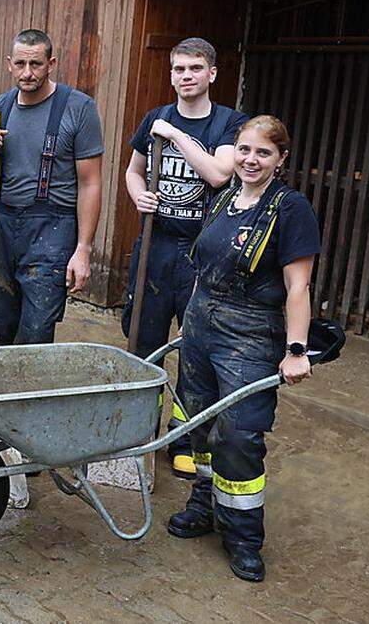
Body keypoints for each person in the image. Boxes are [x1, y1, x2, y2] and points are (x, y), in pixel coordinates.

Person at [166, 115, 320, 583]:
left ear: (281, 159)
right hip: (201, 325)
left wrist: (296, 349)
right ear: (234, 152)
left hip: (250, 336)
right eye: (245, 150)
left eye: (263, 153)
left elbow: (299, 286)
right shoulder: (224, 198)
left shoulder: (290, 210)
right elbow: (203, 270)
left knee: (239, 434)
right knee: (200, 422)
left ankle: (244, 536)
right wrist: (192, 323)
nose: (251, 160)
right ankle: (203, 506)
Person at [122, 38, 249, 478]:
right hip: (155, 247)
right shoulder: (153, 117)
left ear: (212, 73)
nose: (185, 76)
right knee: (145, 342)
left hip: (202, 254)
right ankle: (140, 431)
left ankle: (184, 437)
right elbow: (132, 170)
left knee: (195, 348)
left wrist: (176, 134)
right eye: (178, 69)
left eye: (195, 68)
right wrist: (140, 198)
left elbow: (218, 173)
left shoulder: (231, 124)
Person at [0, 29, 103, 346]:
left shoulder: (79, 108)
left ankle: (30, 394)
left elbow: (90, 183)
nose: (27, 73)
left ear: (51, 63)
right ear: (9, 64)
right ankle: (6, 395)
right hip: (3, 228)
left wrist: (83, 250)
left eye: (36, 64)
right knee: (2, 325)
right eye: (20, 64)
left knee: (36, 331)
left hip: (51, 232)